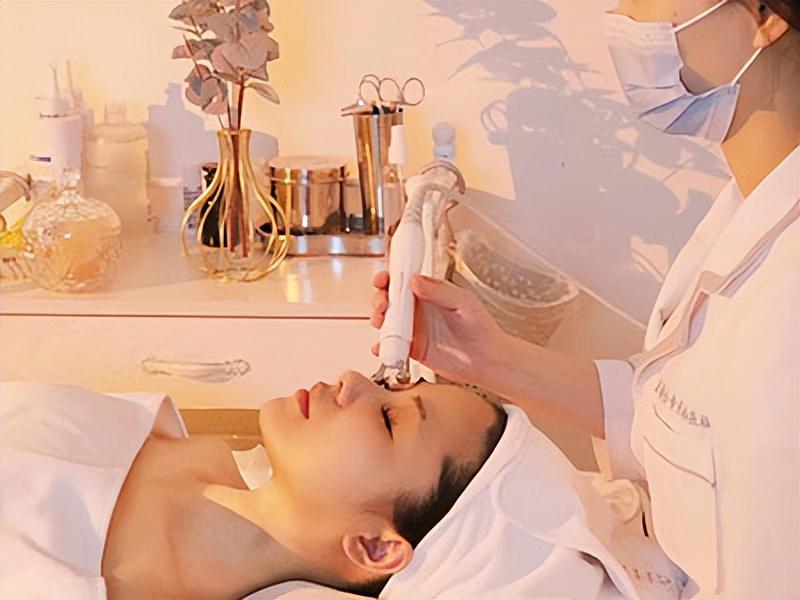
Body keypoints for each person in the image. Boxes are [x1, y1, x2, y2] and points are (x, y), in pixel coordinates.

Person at [371, 0, 799, 597]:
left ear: (763, 16)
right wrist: (486, 359)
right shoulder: (752, 205)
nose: (622, 14)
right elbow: (677, 417)